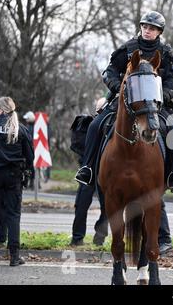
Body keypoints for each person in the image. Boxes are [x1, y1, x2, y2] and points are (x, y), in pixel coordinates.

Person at [75, 10, 173, 192]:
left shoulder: (166, 53)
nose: (147, 30)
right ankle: (88, 169)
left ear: (159, 32)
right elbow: (109, 72)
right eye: (145, 27)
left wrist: (162, 96)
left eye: (152, 28)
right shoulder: (127, 49)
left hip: (155, 104)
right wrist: (120, 89)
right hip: (125, 101)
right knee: (95, 125)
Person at [0, 97, 34, 266]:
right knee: (13, 215)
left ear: (1, 109)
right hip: (13, 176)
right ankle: (14, 256)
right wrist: (28, 173)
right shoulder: (21, 129)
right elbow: (30, 156)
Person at [69, 98, 109, 247]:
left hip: (100, 174)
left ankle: (92, 238)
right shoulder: (91, 124)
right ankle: (80, 238)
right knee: (83, 206)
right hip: (92, 173)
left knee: (105, 209)